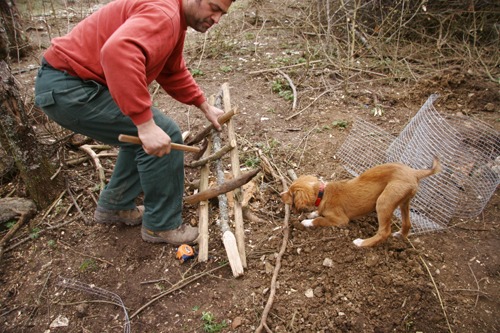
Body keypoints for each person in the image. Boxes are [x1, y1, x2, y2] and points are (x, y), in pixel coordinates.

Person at [34, 0, 236, 245]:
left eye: (222, 14)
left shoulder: (173, 18)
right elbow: (117, 52)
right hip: (70, 88)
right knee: (166, 134)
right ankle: (162, 226)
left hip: (68, 84)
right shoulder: (165, 14)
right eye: (213, 8)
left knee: (145, 139)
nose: (216, 19)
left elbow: (172, 71)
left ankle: (115, 205)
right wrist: (144, 123)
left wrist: (203, 104)